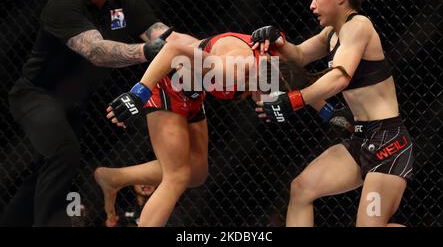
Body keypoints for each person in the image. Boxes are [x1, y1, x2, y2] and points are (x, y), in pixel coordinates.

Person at [102, 26, 354, 227]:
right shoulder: (233, 69)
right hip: (168, 84)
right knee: (177, 176)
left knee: (197, 172)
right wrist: (138, 93)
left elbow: (297, 89)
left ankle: (113, 178)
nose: (265, 104)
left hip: (192, 92)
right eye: (270, 98)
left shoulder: (274, 63)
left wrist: (330, 113)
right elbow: (172, 50)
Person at [3, 0, 170, 227]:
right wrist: (146, 51)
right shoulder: (63, 4)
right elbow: (97, 51)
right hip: (36, 95)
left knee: (50, 167)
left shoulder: (125, 1)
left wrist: (215, 48)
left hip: (74, 101)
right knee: (63, 152)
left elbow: (166, 36)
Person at [251, 0, 413, 227]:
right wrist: (278, 39)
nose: (312, 6)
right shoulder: (331, 34)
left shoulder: (358, 26)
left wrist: (294, 100)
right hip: (360, 138)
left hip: (388, 142)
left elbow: (340, 76)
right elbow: (300, 54)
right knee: (301, 188)